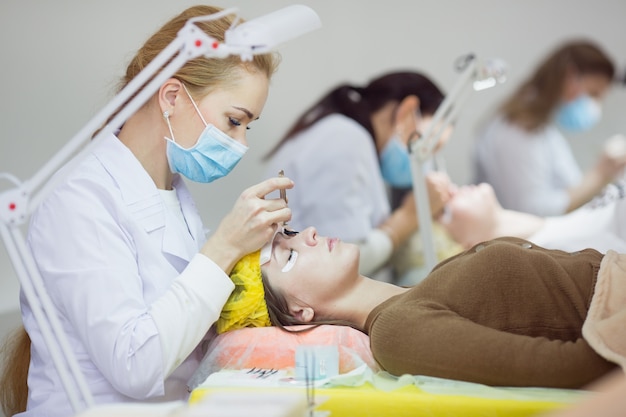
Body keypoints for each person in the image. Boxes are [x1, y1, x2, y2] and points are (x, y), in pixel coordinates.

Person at [0, 5, 294, 417]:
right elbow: (135, 365)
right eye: (233, 121)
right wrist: (224, 246)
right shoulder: (80, 200)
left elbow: (190, 333)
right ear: (172, 97)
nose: (241, 143)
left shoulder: (170, 192)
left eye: (248, 125)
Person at [216, 227, 623, 389]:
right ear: (301, 311)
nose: (307, 234)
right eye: (288, 256)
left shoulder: (416, 293)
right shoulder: (398, 332)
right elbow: (572, 368)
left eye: (289, 234)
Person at [263, 71, 455, 283]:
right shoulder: (345, 138)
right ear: (408, 112)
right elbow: (335, 262)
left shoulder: (343, 134)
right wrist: (410, 216)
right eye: (431, 146)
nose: (426, 161)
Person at [473, 39, 625, 216]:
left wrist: (606, 175)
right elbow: (530, 210)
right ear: (570, 77)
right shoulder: (516, 129)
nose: (596, 106)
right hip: (513, 242)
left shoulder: (545, 131)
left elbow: (571, 187)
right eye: (593, 93)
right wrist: (599, 173)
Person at [441, 180, 626, 254]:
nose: (452, 190)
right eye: (442, 211)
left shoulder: (554, 228)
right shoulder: (552, 255)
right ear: (468, 245)